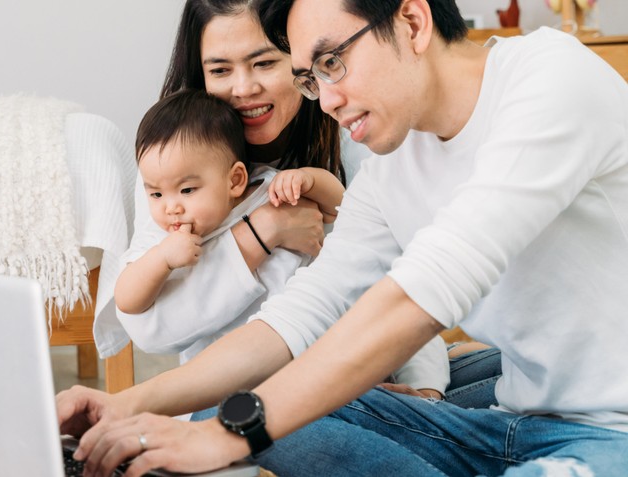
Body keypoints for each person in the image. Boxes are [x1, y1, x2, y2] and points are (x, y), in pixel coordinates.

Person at [59, 0, 628, 476]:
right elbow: (305, 310)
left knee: (246, 422)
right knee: (246, 406)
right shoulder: (393, 159)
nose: (325, 99)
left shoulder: (551, 79)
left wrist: (233, 437)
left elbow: (420, 296)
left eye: (333, 62)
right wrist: (125, 404)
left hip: (612, 432)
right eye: (311, 77)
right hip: (513, 418)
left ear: (411, 21)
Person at [94, 0, 457, 402]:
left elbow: (400, 279)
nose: (244, 89)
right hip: (231, 393)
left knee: (483, 376)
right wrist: (262, 232)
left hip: (355, 372)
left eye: (264, 63)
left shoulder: (360, 135)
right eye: (219, 70)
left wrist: (427, 387)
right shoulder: (174, 168)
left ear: (303, 56)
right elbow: (150, 328)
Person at [115, 89, 345, 364]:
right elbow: (127, 300)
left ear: (235, 180)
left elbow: (340, 208)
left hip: (309, 350)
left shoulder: (269, 191)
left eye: (187, 189)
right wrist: (162, 259)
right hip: (225, 370)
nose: (170, 207)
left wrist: (310, 180)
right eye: (155, 194)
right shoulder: (163, 236)